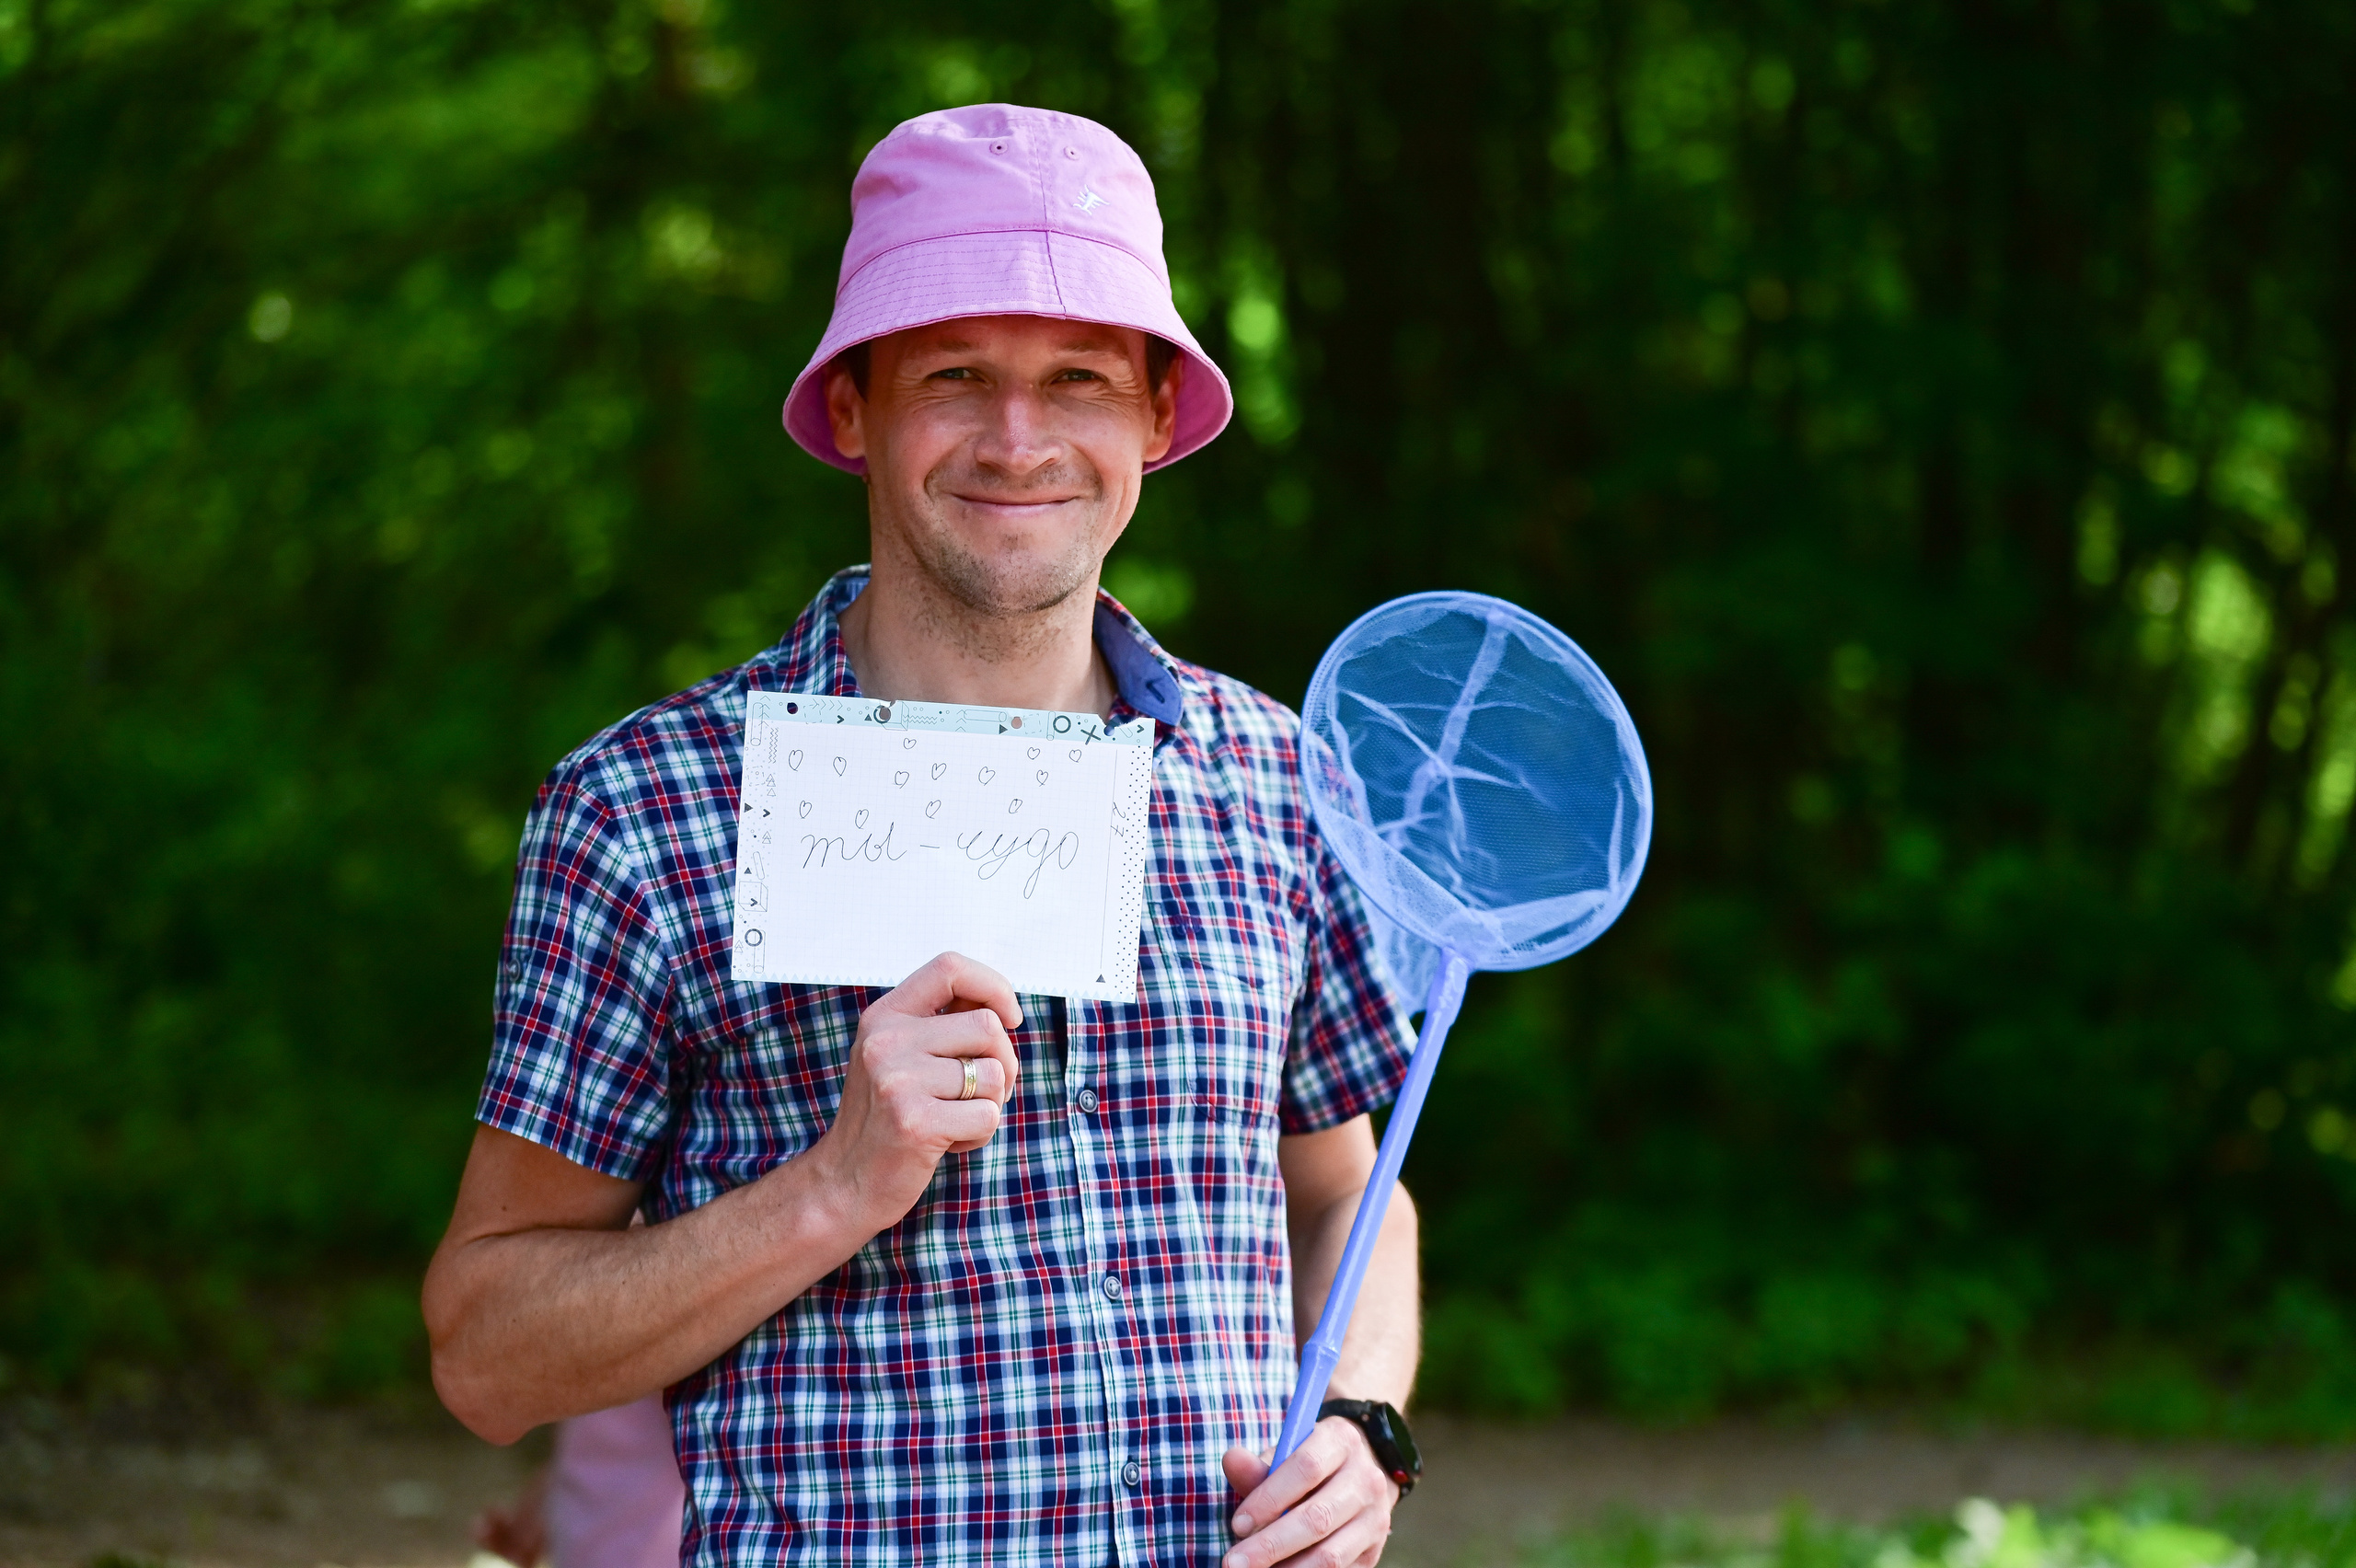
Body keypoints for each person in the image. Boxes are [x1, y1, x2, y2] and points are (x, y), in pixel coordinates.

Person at [422, 102, 1424, 1567]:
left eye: (1076, 379)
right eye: (955, 374)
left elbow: (1349, 1187)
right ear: (853, 411)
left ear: (1153, 416)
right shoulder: (649, 810)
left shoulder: (1276, 781)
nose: (1019, 440)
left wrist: (1363, 1418)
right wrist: (833, 1185)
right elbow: (487, 1352)